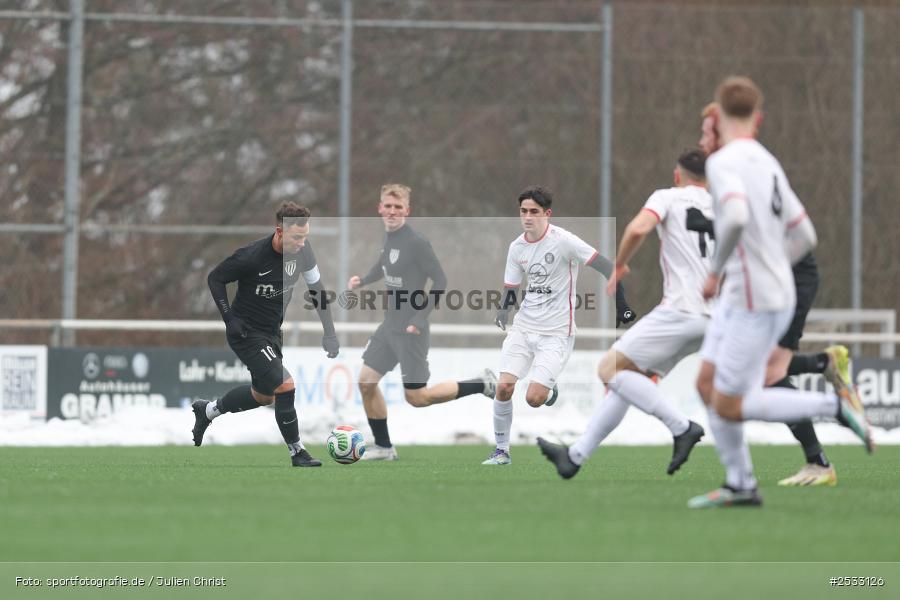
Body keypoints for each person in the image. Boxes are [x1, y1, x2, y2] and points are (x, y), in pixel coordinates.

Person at [689, 77, 872, 509]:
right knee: (706, 383)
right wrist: (769, 262)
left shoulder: (723, 162)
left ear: (717, 114)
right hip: (755, 293)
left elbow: (733, 217)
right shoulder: (767, 160)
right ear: (759, 117)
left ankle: (835, 406)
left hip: (755, 298)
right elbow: (805, 234)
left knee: (731, 403)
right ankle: (740, 484)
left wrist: (717, 272)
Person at [538, 150, 712, 479]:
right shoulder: (722, 205)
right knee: (629, 379)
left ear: (678, 175)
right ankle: (574, 457)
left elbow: (637, 229)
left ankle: (682, 427)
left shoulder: (668, 197)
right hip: (714, 317)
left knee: (609, 368)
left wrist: (618, 265)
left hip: (681, 309)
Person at [486, 186, 636, 466]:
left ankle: (548, 387)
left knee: (534, 398)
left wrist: (622, 305)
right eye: (523, 211)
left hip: (556, 333)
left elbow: (607, 267)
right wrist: (504, 310)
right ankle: (501, 451)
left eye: (534, 211)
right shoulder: (516, 247)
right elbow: (511, 286)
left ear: (547, 214)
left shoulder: (564, 241)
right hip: (524, 327)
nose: (527, 217)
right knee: (504, 387)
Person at [348, 184, 497, 461]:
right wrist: (363, 280)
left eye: (398, 207)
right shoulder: (388, 237)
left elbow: (440, 281)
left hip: (411, 331)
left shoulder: (417, 242)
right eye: (388, 206)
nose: (392, 212)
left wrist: (419, 317)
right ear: (380, 208)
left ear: (407, 210)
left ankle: (481, 384)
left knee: (417, 398)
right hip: (389, 326)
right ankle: (384, 447)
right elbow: (383, 263)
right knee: (366, 382)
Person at [192, 202, 340, 467]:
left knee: (265, 396)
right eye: (297, 237)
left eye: (305, 236)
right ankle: (298, 452)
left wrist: (329, 332)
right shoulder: (251, 256)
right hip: (246, 333)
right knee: (285, 385)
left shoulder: (304, 252)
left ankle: (208, 410)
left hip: (272, 332)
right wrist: (229, 319)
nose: (302, 242)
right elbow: (215, 278)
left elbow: (317, 289)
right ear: (279, 231)